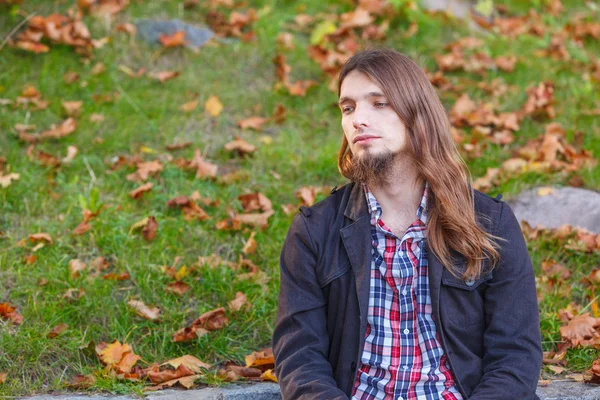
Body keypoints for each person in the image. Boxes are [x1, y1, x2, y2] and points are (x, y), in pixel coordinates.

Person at [272, 47, 542, 400]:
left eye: (379, 103)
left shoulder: (489, 223)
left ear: (418, 113)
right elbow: (300, 359)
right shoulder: (314, 231)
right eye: (348, 107)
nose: (358, 120)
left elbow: (516, 355)